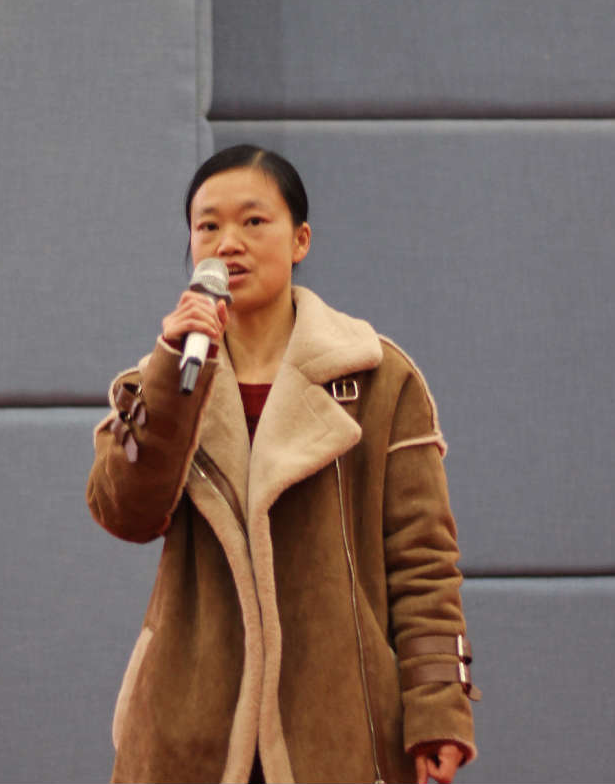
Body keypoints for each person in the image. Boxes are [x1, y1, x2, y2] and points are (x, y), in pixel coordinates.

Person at [87, 145, 480, 784]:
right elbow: (123, 512)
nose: (228, 243)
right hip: (191, 730)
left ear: (300, 240)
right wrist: (171, 375)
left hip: (339, 723)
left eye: (253, 221)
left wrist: (439, 706)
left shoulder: (378, 378)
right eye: (208, 226)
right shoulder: (161, 380)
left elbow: (423, 560)